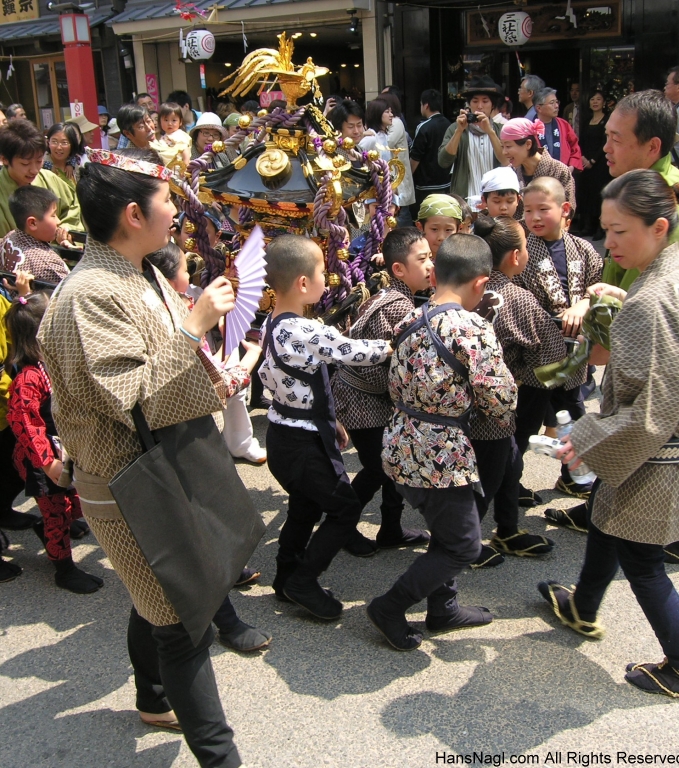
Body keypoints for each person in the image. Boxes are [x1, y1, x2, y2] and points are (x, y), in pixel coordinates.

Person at [38, 147, 257, 765]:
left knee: (160, 593)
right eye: (167, 202)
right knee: (181, 620)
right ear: (134, 215)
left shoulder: (139, 271)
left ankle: (153, 695)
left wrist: (218, 369)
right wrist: (193, 326)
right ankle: (220, 757)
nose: (176, 214)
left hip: (164, 461)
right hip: (127, 479)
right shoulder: (89, 293)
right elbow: (130, 394)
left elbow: (166, 365)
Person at [539, 169, 679, 698]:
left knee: (642, 560)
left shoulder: (650, 299)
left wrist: (587, 437)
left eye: (620, 231)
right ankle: (583, 604)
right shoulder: (665, 273)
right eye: (606, 229)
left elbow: (650, 412)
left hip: (654, 449)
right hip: (654, 441)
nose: (609, 243)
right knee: (605, 512)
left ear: (658, 227)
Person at [369, 234, 516, 651]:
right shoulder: (473, 328)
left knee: (447, 531)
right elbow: (501, 400)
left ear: (436, 273)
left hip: (401, 443)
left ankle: (444, 607)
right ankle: (389, 606)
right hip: (441, 455)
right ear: (481, 282)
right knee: (464, 545)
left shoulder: (410, 318)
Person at [145, 241, 270, 652]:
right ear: (170, 280)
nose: (193, 273)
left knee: (211, 517)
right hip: (176, 441)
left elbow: (204, 372)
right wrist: (248, 361)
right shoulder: (178, 320)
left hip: (188, 435)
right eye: (186, 268)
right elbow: (214, 388)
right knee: (194, 534)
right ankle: (227, 620)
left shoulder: (174, 312)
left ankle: (225, 569)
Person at [258, 235, 391, 620]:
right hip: (303, 443)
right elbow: (355, 351)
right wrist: (394, 343)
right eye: (322, 271)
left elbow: (290, 384)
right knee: (344, 509)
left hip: (284, 433)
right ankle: (303, 580)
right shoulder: (306, 331)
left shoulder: (272, 323)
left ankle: (285, 578)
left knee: (304, 506)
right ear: (303, 283)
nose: (328, 277)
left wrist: (331, 421)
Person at [331, 228, 433, 557]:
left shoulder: (391, 296)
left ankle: (391, 529)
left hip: (368, 395)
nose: (431, 265)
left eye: (431, 257)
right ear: (398, 269)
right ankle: (340, 527)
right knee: (379, 467)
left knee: (393, 463)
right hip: (361, 398)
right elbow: (404, 364)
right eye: (423, 259)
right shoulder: (399, 306)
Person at [470, 215, 560, 567]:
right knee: (488, 477)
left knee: (508, 462)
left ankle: (507, 529)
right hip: (494, 405)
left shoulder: (463, 286)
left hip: (457, 399)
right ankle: (460, 546)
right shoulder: (518, 298)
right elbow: (549, 357)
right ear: (515, 256)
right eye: (524, 247)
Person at [5, 292, 101, 593]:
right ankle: (63, 568)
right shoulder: (28, 379)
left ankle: (57, 525)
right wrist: (47, 463)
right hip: (43, 459)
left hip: (67, 448)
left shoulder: (54, 362)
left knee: (76, 500)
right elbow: (25, 424)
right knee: (55, 512)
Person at [515, 177, 602, 500]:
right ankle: (510, 483)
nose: (534, 217)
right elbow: (516, 297)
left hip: (573, 356)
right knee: (525, 424)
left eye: (543, 209)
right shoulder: (522, 250)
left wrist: (583, 303)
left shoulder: (583, 249)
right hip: (537, 357)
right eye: (528, 210)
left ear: (565, 209)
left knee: (575, 421)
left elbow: (597, 286)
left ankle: (573, 477)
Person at [600, 90, 679, 290]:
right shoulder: (634, 187)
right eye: (607, 136)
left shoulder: (661, 203)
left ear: (652, 146)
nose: (606, 148)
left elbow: (638, 295)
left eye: (616, 139)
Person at [0, 119, 82, 240]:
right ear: (5, 159)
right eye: (25, 163)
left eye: (39, 161)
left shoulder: (49, 178)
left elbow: (75, 206)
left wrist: (65, 229)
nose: (34, 170)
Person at [438, 76, 508, 200]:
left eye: (485, 101)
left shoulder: (501, 130)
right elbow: (443, 161)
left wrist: (490, 131)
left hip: (495, 200)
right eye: (475, 101)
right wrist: (459, 131)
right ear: (469, 104)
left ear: (492, 105)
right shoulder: (455, 128)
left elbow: (506, 161)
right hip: (466, 200)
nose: (480, 106)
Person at [500, 117, 576, 211]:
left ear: (528, 144)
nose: (504, 152)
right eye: (502, 146)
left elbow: (568, 209)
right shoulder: (509, 173)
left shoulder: (560, 171)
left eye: (508, 146)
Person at [0, 186, 69, 285]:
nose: (58, 221)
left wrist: (60, 252)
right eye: (53, 215)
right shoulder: (48, 266)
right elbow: (70, 291)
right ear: (32, 223)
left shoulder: (10, 236)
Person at [575, 90, 611, 238]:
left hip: (601, 164)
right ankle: (587, 226)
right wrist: (583, 158)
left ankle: (600, 228)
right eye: (592, 99)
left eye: (598, 99)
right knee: (587, 193)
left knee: (599, 194)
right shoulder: (586, 120)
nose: (595, 102)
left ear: (604, 102)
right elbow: (580, 141)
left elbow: (605, 143)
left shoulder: (607, 120)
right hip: (585, 163)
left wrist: (593, 160)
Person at [410, 89, 451, 209]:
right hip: (446, 183)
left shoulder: (424, 127)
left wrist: (408, 178)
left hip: (426, 185)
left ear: (426, 105)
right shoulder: (449, 124)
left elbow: (416, 156)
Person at [380, 91, 416, 223]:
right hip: (392, 179)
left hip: (398, 180)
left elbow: (385, 144)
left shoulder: (396, 123)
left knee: (401, 218)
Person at [534, 88, 583, 172]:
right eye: (552, 103)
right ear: (539, 108)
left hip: (563, 172)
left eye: (557, 102)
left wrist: (571, 166)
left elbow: (574, 147)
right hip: (538, 174)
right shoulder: (529, 127)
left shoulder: (564, 124)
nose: (556, 106)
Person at [415, 194, 462, 260]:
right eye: (434, 229)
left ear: (458, 229)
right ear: (420, 227)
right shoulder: (411, 260)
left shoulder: (462, 261)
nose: (441, 237)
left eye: (448, 230)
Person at [43, 123, 82, 188]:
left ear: (72, 144)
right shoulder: (40, 165)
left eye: (64, 142)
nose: (59, 147)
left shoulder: (75, 166)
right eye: (54, 141)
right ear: (48, 142)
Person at [156, 102, 192, 167]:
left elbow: (185, 151)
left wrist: (185, 166)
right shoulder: (162, 137)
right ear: (160, 121)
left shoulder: (180, 135)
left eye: (174, 120)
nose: (169, 123)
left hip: (178, 168)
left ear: (180, 122)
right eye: (166, 120)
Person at [358, 98, 393, 163]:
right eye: (387, 112)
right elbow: (357, 155)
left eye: (391, 112)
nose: (391, 115)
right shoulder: (371, 138)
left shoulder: (385, 135)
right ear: (377, 114)